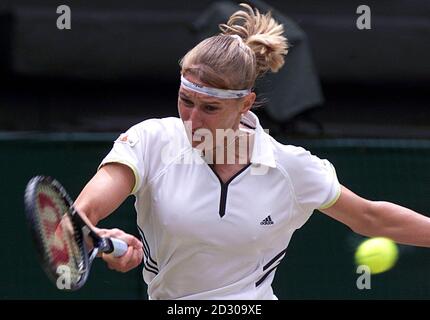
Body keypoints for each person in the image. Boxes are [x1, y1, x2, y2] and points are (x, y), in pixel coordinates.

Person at [74, 4, 430, 300]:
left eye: (210, 108)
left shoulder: (292, 168)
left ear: (245, 104)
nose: (192, 119)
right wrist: (99, 236)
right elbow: (81, 213)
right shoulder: (151, 140)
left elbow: (369, 217)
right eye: (186, 101)